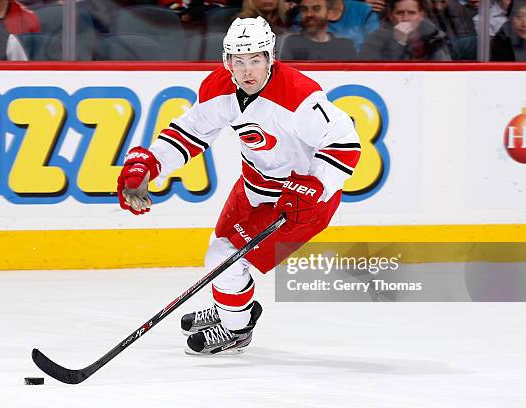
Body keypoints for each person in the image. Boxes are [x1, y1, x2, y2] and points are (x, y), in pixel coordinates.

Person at [116, 16, 360, 355]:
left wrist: (316, 187)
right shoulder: (220, 86)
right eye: (238, 61)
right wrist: (150, 165)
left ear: (270, 58)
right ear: (226, 61)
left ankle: (236, 328)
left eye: (256, 60)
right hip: (254, 185)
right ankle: (231, 307)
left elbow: (345, 144)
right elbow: (190, 133)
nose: (247, 71)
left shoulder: (299, 97)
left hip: (302, 201)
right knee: (220, 248)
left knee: (226, 257)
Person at [360, 0, 452, 60]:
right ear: (391, 16)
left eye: (412, 13)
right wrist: (399, 42)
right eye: (400, 13)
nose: (405, 18)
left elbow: (442, 68)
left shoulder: (435, 37)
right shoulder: (375, 39)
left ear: (421, 15)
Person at [281, 0, 357, 59]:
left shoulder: (345, 45)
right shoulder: (292, 42)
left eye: (316, 9)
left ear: (329, 13)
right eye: (304, 9)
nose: (309, 14)